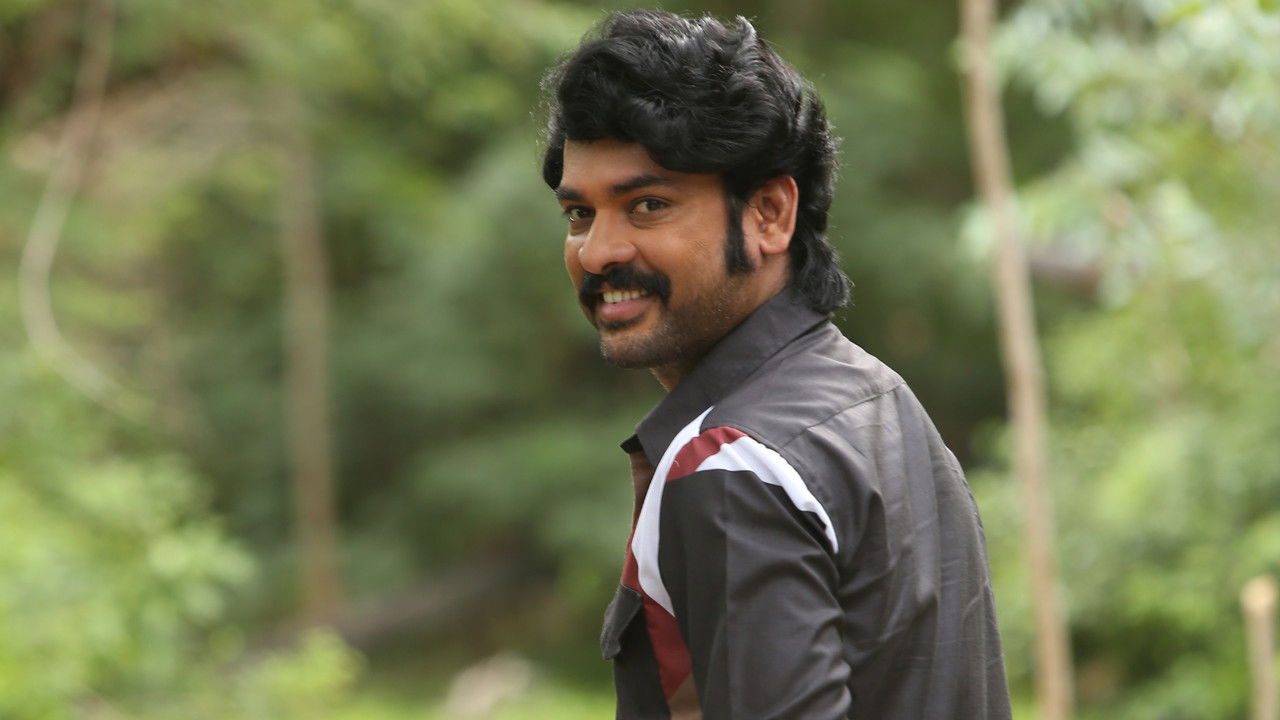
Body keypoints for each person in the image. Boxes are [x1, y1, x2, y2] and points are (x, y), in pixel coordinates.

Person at [540, 10, 1011, 720]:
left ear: (768, 213)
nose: (598, 251)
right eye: (579, 214)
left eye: (647, 205)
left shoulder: (736, 463)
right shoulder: (879, 400)